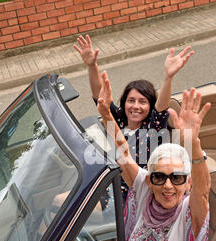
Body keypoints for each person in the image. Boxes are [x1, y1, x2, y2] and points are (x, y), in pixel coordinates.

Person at [96, 71, 212, 241]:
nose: (168, 186)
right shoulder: (144, 191)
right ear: (149, 180)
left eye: (177, 178)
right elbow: (123, 152)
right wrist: (106, 116)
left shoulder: (189, 211)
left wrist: (193, 144)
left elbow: (202, 192)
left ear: (188, 183)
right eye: (159, 177)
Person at [74, 35, 194, 201]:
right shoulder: (118, 120)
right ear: (124, 103)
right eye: (131, 100)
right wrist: (92, 65)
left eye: (143, 102)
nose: (136, 106)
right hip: (106, 181)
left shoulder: (153, 128)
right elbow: (99, 97)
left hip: (131, 195)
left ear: (150, 107)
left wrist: (168, 77)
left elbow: (161, 107)